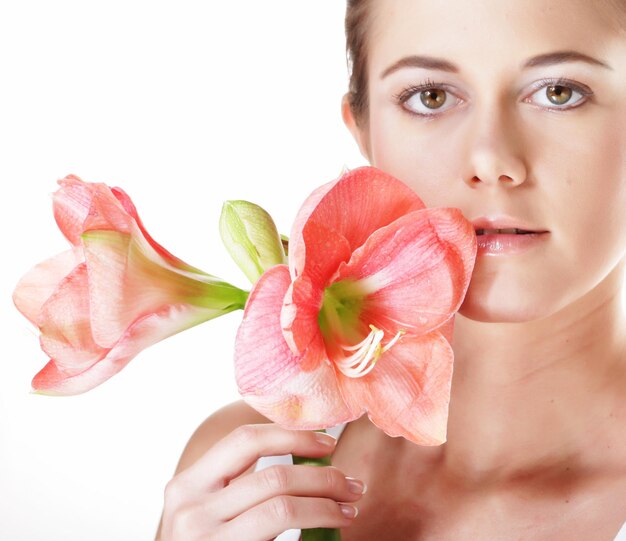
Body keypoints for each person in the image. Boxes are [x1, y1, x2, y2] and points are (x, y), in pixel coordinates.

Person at [155, 0, 626, 539]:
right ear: (364, 133)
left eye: (559, 92)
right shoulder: (237, 479)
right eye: (431, 97)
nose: (491, 159)